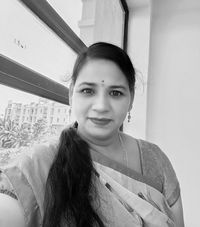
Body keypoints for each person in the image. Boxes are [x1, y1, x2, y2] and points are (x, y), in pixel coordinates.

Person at [0, 42, 184, 227]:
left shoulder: (156, 159)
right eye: (88, 91)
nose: (101, 106)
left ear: (131, 99)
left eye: (116, 93)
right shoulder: (39, 165)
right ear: (72, 94)